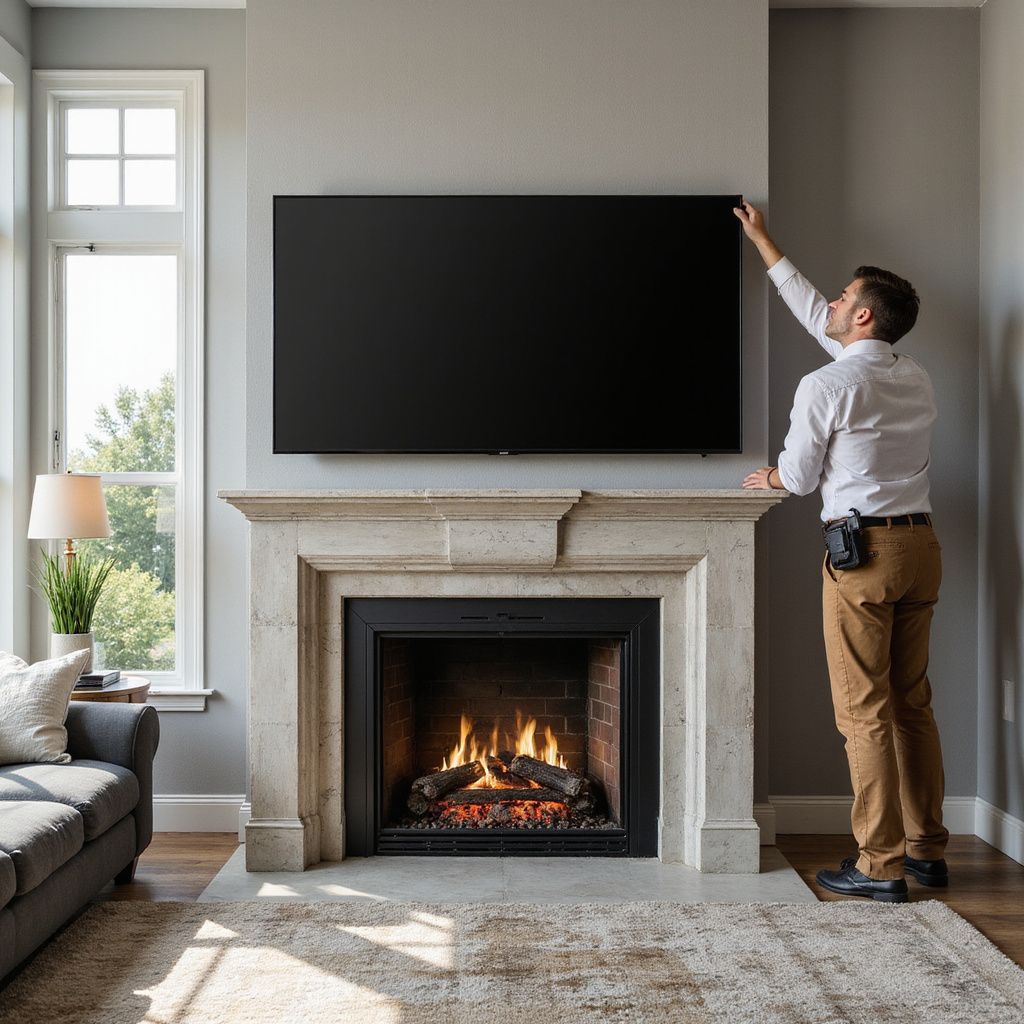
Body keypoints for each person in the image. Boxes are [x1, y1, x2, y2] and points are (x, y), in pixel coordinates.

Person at [735, 200, 949, 904]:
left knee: (864, 714)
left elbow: (796, 480)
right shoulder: (908, 374)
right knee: (911, 703)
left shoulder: (828, 385)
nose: (831, 299)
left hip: (863, 559)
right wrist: (765, 243)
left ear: (861, 317)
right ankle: (924, 850)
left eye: (845, 296)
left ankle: (879, 865)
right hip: (920, 548)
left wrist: (767, 475)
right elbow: (812, 312)